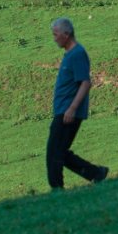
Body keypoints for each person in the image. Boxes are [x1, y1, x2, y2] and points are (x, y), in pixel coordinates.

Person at [47, 17, 108, 190]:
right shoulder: (70, 55)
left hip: (68, 112)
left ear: (66, 34)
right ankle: (97, 173)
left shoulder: (78, 54)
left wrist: (72, 108)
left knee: (54, 152)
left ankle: (57, 189)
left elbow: (86, 83)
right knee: (59, 152)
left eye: (56, 34)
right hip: (63, 110)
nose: (54, 38)